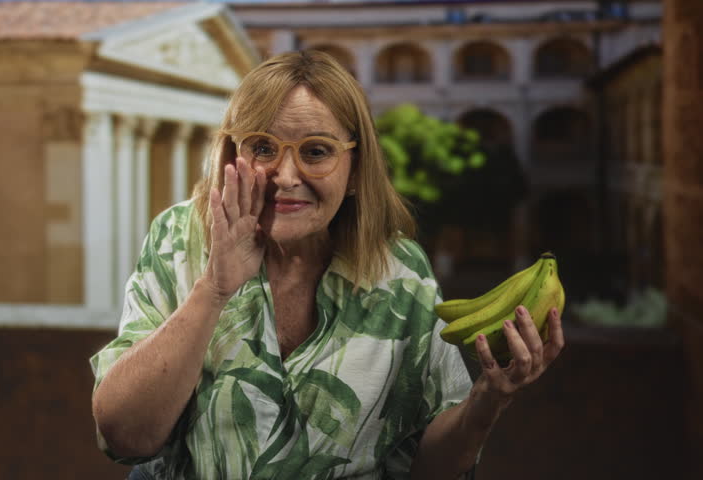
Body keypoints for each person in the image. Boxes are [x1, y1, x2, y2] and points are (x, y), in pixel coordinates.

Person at [89, 50, 564, 479]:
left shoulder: (399, 270)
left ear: (355, 171)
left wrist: (489, 399)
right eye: (262, 147)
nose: (285, 176)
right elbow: (126, 435)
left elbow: (427, 468)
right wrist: (213, 289)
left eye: (316, 152)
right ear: (233, 155)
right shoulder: (179, 238)